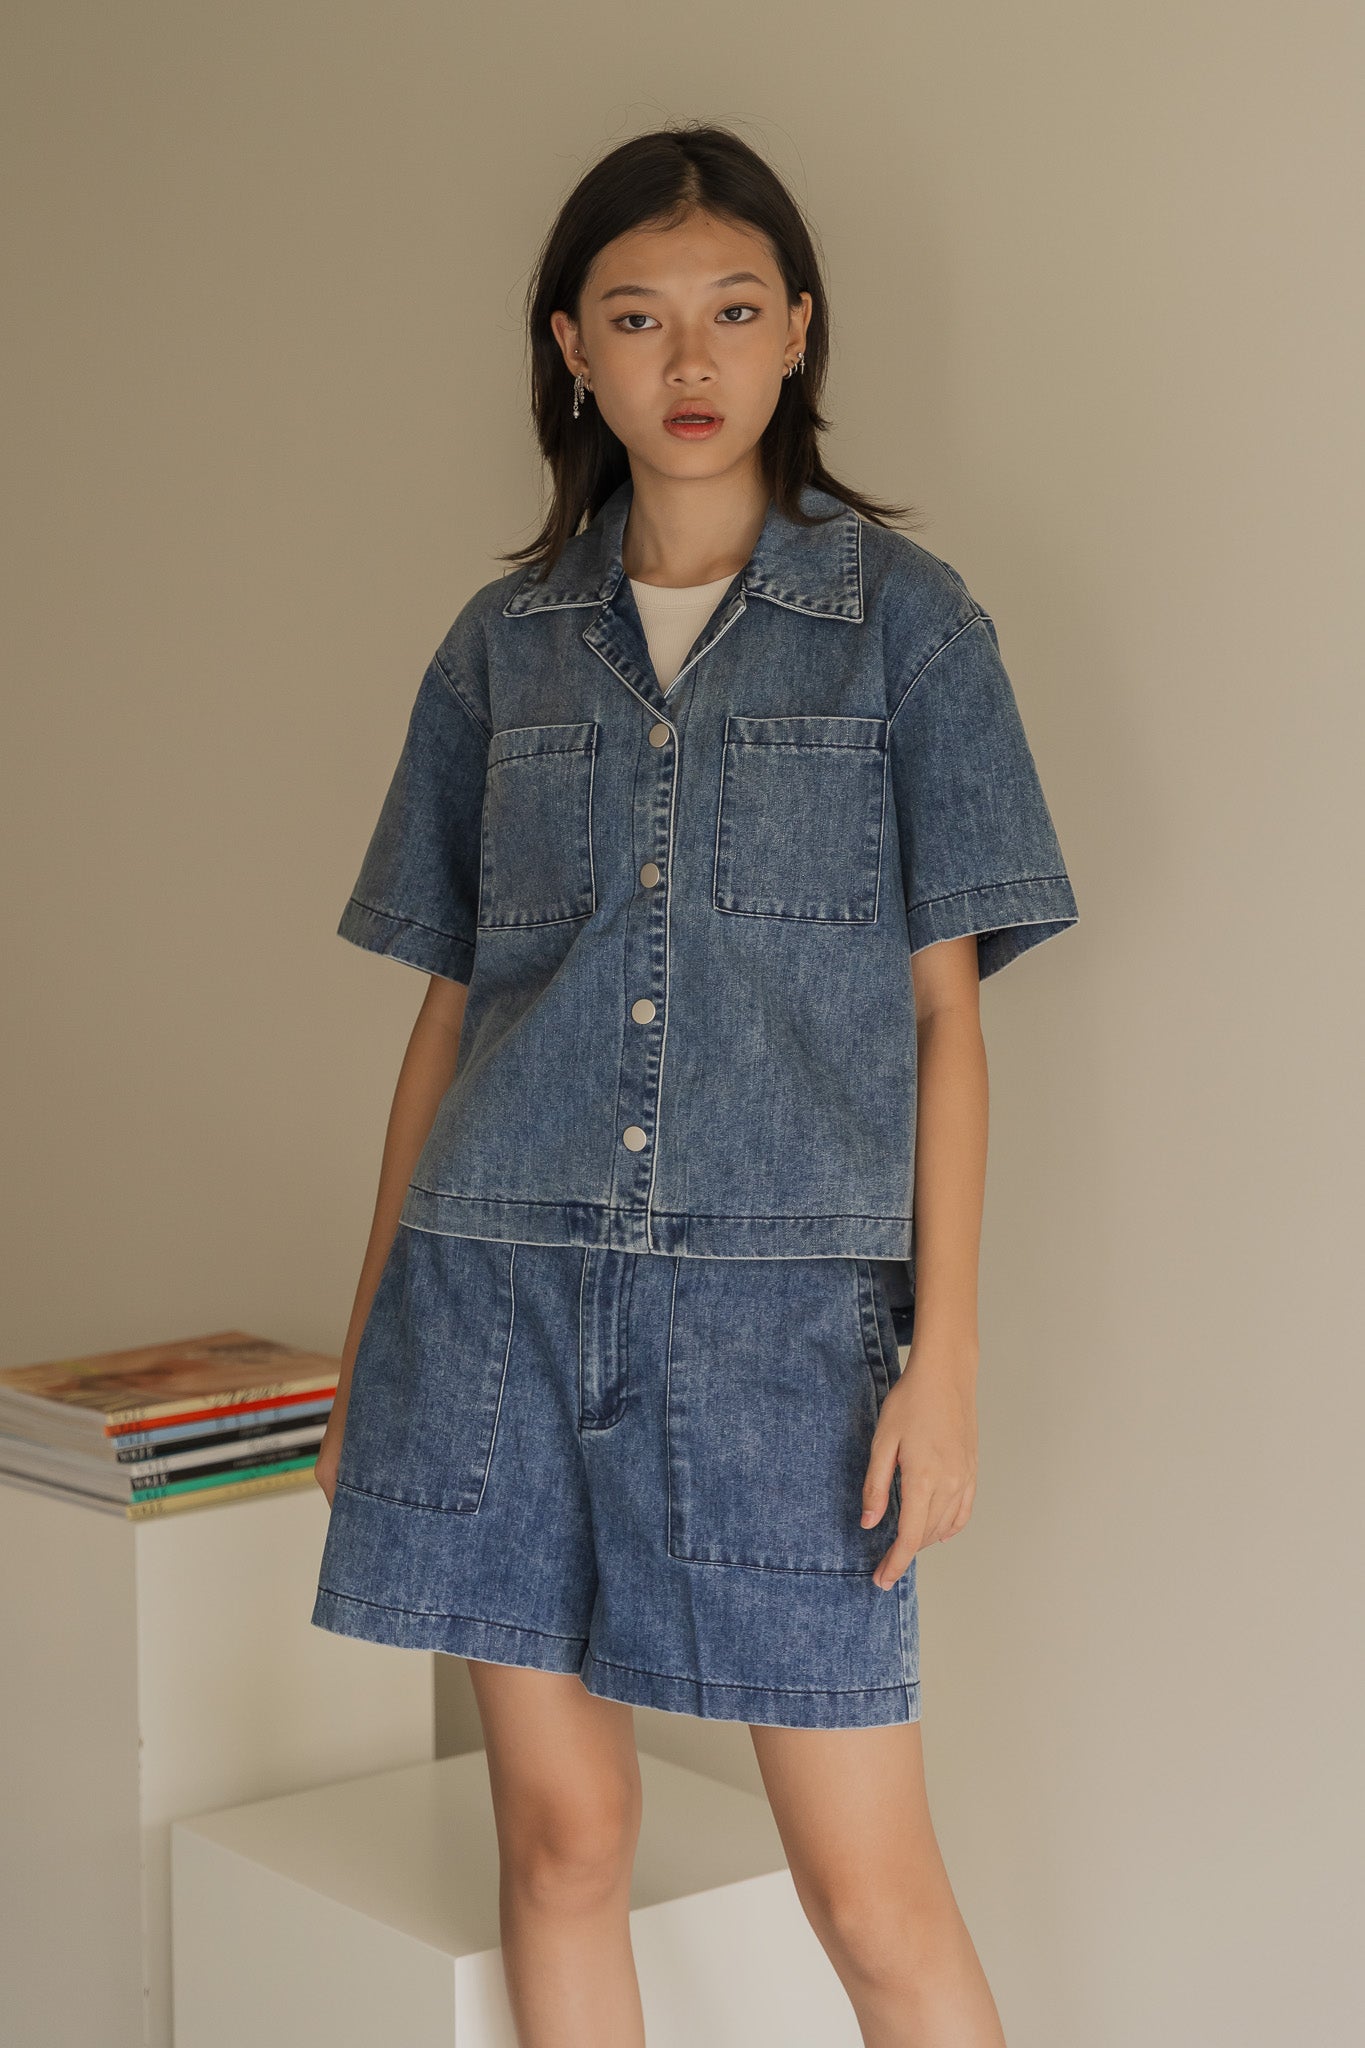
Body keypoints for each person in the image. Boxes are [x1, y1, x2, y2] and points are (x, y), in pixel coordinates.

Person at [311, 121, 1078, 2048]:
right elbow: (449, 1017)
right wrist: (375, 1331)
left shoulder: (907, 628)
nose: (688, 359)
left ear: (798, 330)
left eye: (732, 312)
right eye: (637, 316)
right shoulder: (503, 649)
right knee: (561, 1846)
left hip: (782, 1332)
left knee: (870, 1897)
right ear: (570, 346)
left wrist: (944, 1359)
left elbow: (947, 1020)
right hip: (492, 1303)